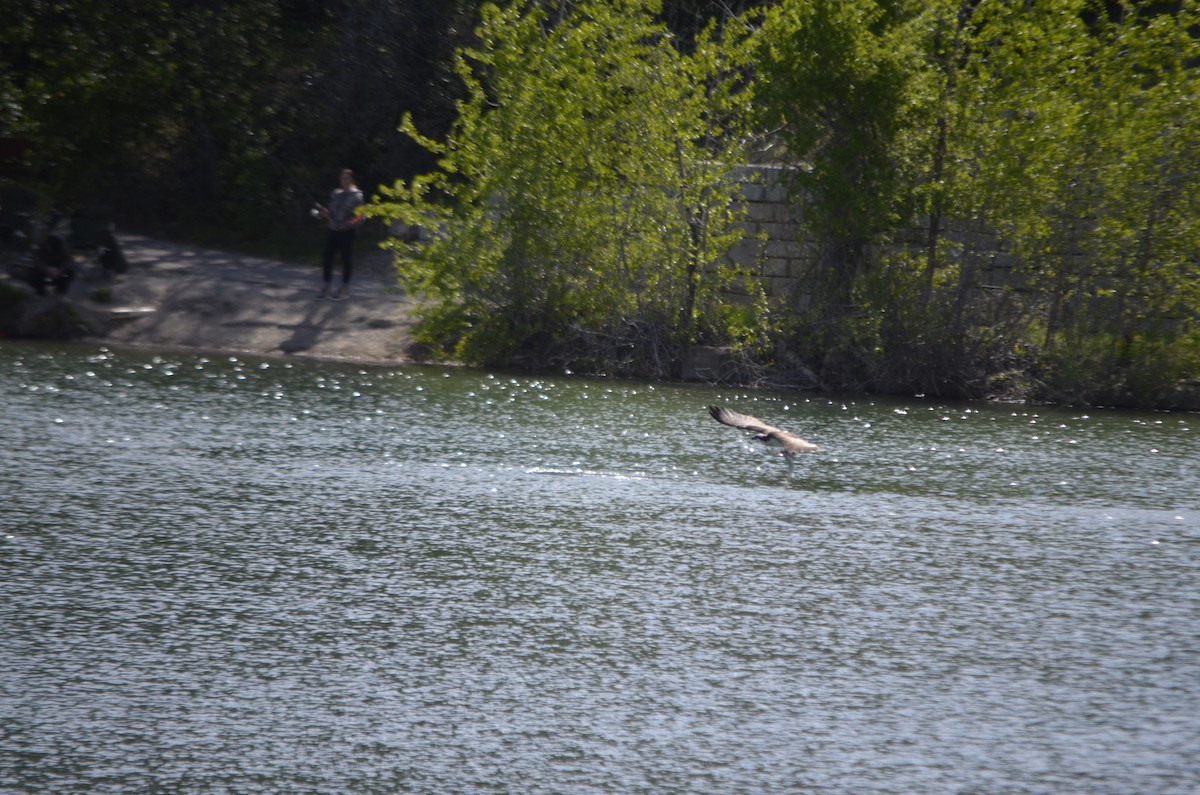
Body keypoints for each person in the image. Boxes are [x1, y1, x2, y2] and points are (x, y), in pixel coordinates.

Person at [314, 168, 364, 300]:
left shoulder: (356, 196)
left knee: (345, 259)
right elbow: (332, 213)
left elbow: (359, 217)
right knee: (327, 257)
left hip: (347, 232)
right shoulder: (336, 194)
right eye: (342, 178)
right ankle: (326, 286)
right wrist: (324, 213)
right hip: (333, 230)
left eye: (347, 178)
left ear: (352, 180)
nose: (344, 181)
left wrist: (347, 225)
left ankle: (344, 288)